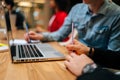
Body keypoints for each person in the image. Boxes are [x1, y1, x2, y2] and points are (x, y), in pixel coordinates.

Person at [25, 0, 120, 51]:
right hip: (77, 58)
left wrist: (88, 53)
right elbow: (60, 34)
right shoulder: (76, 9)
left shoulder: (116, 14)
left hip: (99, 66)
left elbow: (112, 56)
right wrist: (40, 36)